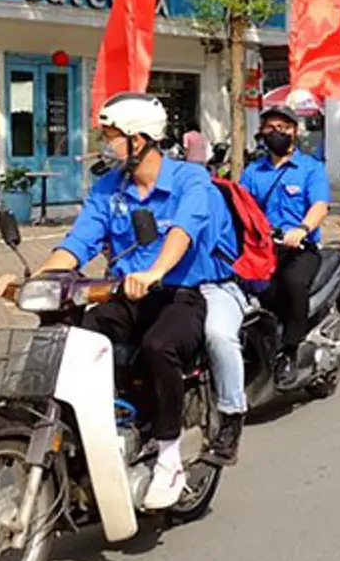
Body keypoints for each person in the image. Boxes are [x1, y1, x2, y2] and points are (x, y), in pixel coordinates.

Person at [18, 92, 242, 508]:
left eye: (112, 136)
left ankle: (170, 454)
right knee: (76, 338)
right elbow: (79, 242)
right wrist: (35, 280)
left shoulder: (191, 180)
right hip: (124, 294)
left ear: (138, 140)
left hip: (179, 294)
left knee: (159, 347)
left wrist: (155, 271)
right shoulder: (109, 187)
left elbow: (183, 232)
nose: (105, 144)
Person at [240, 103, 332, 390]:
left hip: (300, 249)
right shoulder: (254, 171)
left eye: (283, 127)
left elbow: (319, 205)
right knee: (251, 287)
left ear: (294, 131)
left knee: (292, 284)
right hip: (264, 249)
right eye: (270, 127)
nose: (276, 132)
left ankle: (290, 351)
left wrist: (302, 229)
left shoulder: (310, 168)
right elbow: (241, 208)